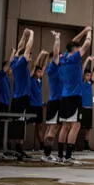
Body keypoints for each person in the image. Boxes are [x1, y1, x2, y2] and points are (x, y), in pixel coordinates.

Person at [57, 26, 92, 164]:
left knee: (65, 125)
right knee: (75, 125)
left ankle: (60, 155)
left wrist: (83, 31)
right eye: (78, 49)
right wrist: (89, 32)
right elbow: (87, 44)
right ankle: (68, 155)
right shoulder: (74, 58)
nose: (80, 50)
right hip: (74, 97)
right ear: (75, 51)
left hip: (65, 97)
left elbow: (73, 41)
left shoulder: (65, 58)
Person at [10, 28, 34, 157]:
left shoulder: (14, 62)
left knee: (17, 122)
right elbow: (27, 48)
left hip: (17, 98)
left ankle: (17, 148)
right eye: (29, 55)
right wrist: (31, 34)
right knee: (20, 122)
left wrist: (23, 36)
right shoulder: (20, 63)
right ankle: (18, 148)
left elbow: (20, 49)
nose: (30, 56)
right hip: (22, 98)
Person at [41, 31, 64, 163]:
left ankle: (46, 153)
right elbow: (56, 53)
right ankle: (47, 153)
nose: (60, 57)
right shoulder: (52, 68)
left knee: (51, 128)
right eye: (58, 56)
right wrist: (57, 38)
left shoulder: (58, 68)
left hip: (55, 102)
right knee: (53, 129)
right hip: (55, 102)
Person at [0, 48, 15, 149]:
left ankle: (4, 147)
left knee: (5, 126)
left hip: (5, 105)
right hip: (0, 104)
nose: (11, 70)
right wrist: (13, 53)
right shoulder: (0, 75)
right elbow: (8, 65)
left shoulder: (7, 79)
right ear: (6, 68)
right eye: (10, 68)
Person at [29, 50, 49, 150]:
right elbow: (34, 66)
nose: (40, 72)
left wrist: (47, 57)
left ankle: (42, 145)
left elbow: (44, 66)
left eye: (41, 72)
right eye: (38, 71)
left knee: (39, 126)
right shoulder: (31, 79)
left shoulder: (40, 80)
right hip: (31, 106)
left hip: (39, 107)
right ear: (35, 72)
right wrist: (40, 54)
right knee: (26, 125)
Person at [80, 56, 94, 151]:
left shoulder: (90, 83)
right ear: (84, 76)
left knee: (88, 128)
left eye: (89, 76)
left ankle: (86, 145)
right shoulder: (81, 82)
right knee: (79, 126)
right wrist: (87, 60)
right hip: (82, 107)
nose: (89, 77)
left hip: (89, 108)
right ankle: (73, 144)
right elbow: (82, 68)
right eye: (87, 75)